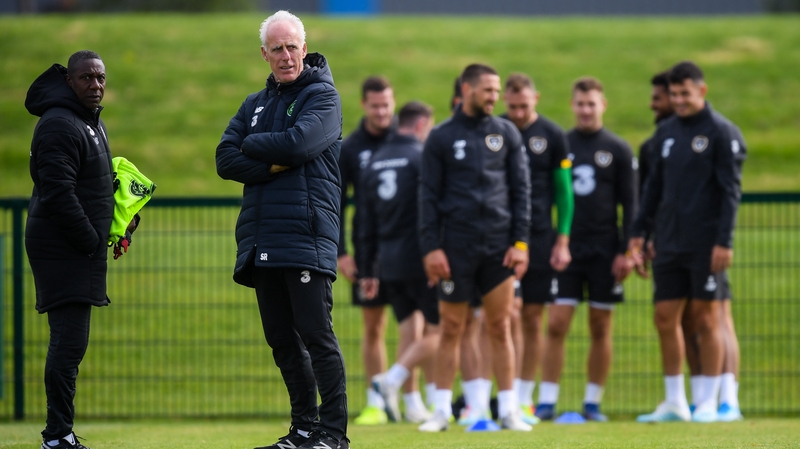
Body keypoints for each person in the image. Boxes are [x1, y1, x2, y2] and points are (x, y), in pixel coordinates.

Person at [215, 11, 349, 449]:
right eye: (277, 48)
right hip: (261, 239)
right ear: (264, 54)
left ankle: (332, 434)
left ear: (304, 49)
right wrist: (274, 156)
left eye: (293, 46)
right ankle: (304, 428)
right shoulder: (253, 103)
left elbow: (299, 144)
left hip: (305, 235)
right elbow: (223, 159)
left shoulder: (323, 97)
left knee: (316, 335)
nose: (286, 55)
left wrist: (253, 146)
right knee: (282, 342)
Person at [417, 63, 532, 432]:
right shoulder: (441, 137)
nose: (494, 97)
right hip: (454, 249)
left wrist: (521, 243)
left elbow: (522, 192)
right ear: (467, 89)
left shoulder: (506, 133)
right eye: (488, 90)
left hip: (499, 248)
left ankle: (510, 410)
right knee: (451, 327)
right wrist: (431, 248)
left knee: (501, 326)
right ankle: (440, 412)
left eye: (497, 91)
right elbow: (428, 198)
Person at [631, 61, 746, 424]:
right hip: (668, 242)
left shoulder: (721, 131)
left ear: (702, 91)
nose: (678, 100)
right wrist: (639, 232)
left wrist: (723, 241)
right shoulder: (664, 134)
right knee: (665, 318)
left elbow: (730, 192)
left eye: (685, 94)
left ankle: (709, 401)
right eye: (674, 94)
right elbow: (652, 191)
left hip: (705, 244)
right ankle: (675, 401)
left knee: (707, 318)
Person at [25, 50, 114, 449]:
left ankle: (61, 433)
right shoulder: (59, 124)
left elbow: (90, 188)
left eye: (100, 78)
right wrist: (92, 240)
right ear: (69, 82)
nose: (95, 86)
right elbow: (58, 193)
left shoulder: (89, 122)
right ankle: (57, 436)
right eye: (86, 78)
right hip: (62, 249)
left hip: (79, 248)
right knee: (67, 343)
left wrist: (120, 221)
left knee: (70, 344)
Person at [536, 77, 636, 422]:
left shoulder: (619, 149)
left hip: (606, 251)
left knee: (600, 325)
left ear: (603, 105)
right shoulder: (561, 143)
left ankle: (592, 402)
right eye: (580, 103)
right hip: (565, 249)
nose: (585, 110)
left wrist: (626, 249)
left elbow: (630, 204)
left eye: (591, 103)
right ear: (572, 105)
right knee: (556, 323)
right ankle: (546, 401)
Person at [356, 101, 440, 424]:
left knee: (410, 330)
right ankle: (389, 381)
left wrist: (367, 268)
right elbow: (430, 212)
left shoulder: (374, 162)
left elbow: (365, 223)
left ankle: (412, 402)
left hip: (387, 262)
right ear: (421, 125)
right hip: (420, 259)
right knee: (444, 329)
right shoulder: (421, 158)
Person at [500, 73, 574, 425]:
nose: (517, 113)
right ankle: (505, 396)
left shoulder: (553, 135)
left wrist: (563, 239)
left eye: (524, 106)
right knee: (506, 316)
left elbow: (564, 192)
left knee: (532, 317)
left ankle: (526, 399)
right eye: (512, 106)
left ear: (536, 99)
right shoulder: (497, 130)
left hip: (541, 238)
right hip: (502, 238)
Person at [337, 76, 397, 425]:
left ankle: (408, 399)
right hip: (366, 251)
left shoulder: (406, 140)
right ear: (364, 105)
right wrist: (342, 252)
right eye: (375, 105)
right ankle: (376, 402)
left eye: (387, 104)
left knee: (414, 325)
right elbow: (339, 204)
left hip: (406, 248)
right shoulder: (351, 148)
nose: (382, 111)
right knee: (373, 325)